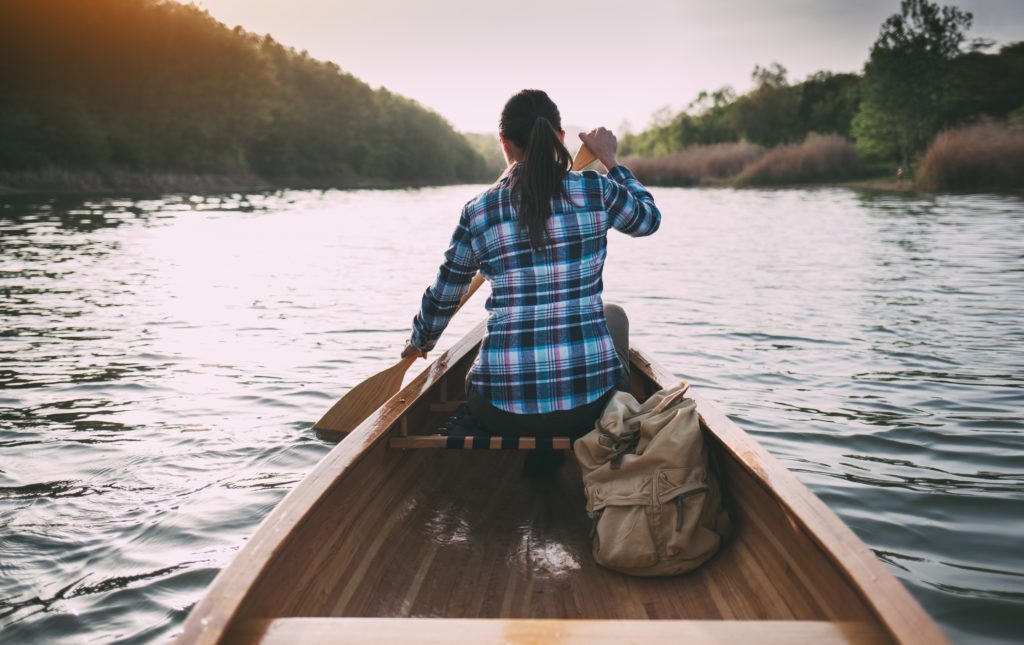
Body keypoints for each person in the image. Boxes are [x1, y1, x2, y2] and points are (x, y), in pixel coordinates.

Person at [402, 89, 661, 451]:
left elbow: (445, 296)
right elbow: (648, 220)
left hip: (496, 408)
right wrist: (611, 161)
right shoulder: (597, 189)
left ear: (504, 143)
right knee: (613, 315)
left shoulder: (479, 211)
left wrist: (421, 340)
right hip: (589, 406)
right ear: (560, 138)